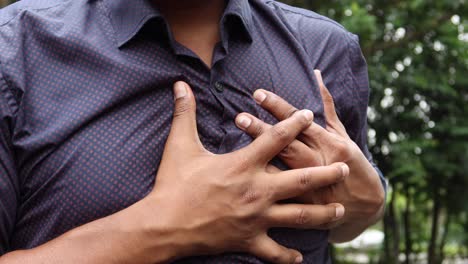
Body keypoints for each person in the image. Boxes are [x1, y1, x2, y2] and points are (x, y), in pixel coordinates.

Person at [0, 0, 386, 263]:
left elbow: (343, 216)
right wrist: (161, 228)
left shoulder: (325, 48)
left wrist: (367, 207)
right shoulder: (16, 50)